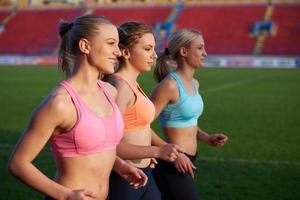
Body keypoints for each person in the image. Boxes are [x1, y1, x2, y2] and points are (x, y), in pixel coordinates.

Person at [8, 14, 147, 200]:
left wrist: (120, 165)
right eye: (111, 43)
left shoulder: (110, 91)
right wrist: (66, 195)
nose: (119, 52)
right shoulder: (60, 103)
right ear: (85, 46)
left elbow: (99, 146)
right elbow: (18, 163)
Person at [107, 21, 184, 200]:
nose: (154, 55)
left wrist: (163, 147)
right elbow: (108, 144)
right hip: (125, 177)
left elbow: (141, 127)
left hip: (144, 173)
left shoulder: (132, 84)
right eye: (147, 49)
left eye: (154, 49)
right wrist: (154, 152)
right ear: (126, 52)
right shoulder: (120, 87)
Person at [151, 29, 229, 200]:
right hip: (172, 162)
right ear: (184, 51)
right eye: (200, 48)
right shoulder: (169, 86)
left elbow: (188, 123)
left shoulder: (195, 83)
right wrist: (173, 153)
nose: (205, 53)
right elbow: (140, 125)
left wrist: (207, 138)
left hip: (190, 159)